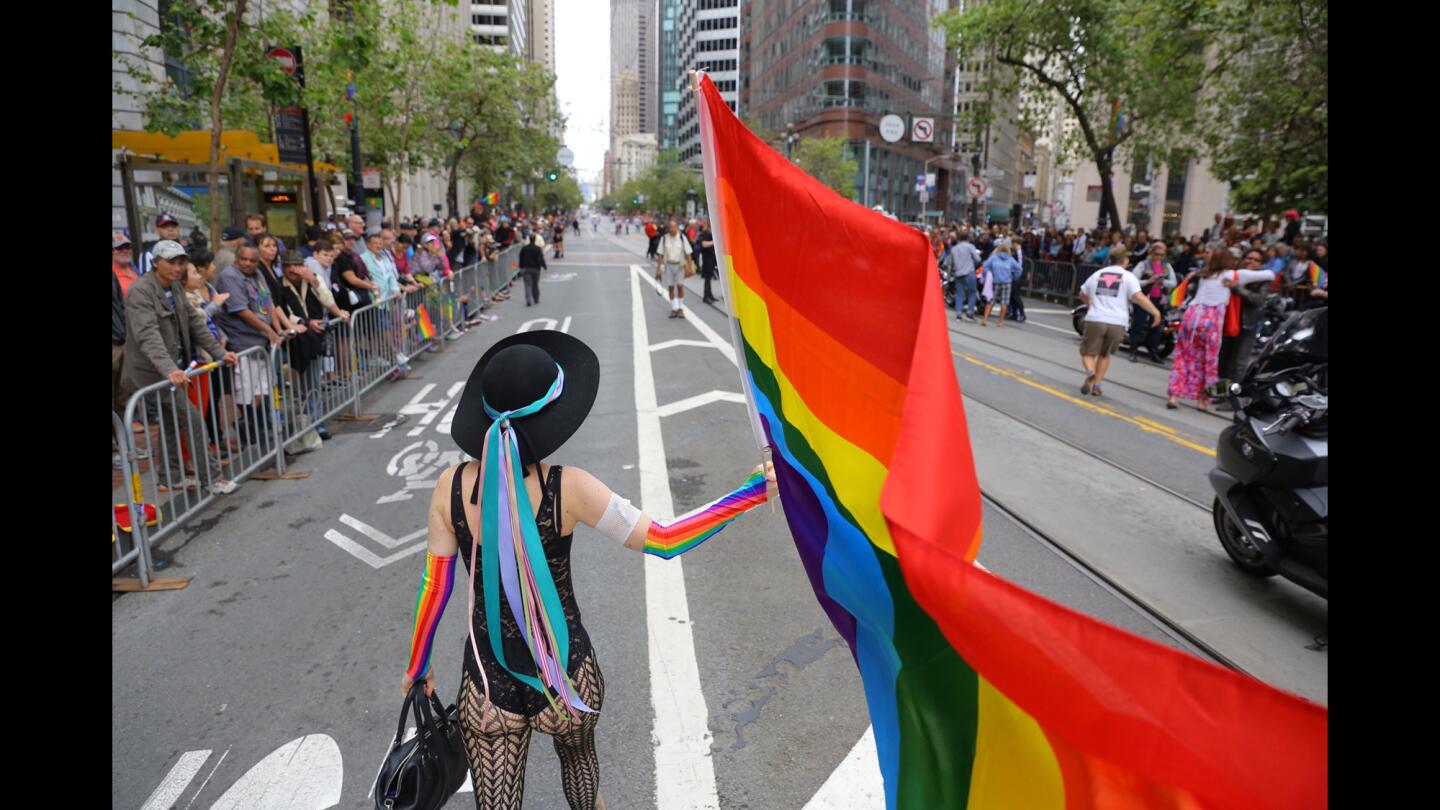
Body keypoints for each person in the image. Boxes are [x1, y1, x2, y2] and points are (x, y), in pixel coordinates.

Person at [400, 331, 775, 810]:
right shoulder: (569, 488)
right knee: (580, 773)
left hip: (488, 681)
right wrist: (749, 493)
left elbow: (436, 585)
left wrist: (417, 666)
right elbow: (663, 539)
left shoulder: (449, 488)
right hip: (566, 672)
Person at [121, 240, 239, 494]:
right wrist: (169, 370)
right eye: (171, 262)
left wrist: (220, 352)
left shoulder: (175, 287)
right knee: (193, 419)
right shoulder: (140, 291)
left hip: (172, 369)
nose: (177, 267)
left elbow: (196, 324)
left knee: (170, 423)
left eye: (180, 262)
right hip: (152, 372)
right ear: (155, 263)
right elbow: (147, 335)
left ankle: (169, 477)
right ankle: (212, 478)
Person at [1166, 250, 1274, 410]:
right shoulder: (1234, 274)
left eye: (1255, 260)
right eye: (1248, 258)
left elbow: (1257, 299)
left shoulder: (1206, 275)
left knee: (1185, 358)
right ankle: (1204, 400)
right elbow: (1271, 274)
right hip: (1214, 321)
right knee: (1212, 361)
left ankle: (1176, 396)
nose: (1250, 261)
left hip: (1196, 316)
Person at [213, 244, 285, 445]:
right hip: (243, 341)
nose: (247, 263)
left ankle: (259, 429)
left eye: (252, 261)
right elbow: (241, 310)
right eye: (243, 259)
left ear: (258, 261)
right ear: (237, 258)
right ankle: (250, 431)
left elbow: (268, 302)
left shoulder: (258, 275)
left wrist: (277, 329)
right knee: (245, 391)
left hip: (260, 341)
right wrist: (269, 331)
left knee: (261, 389)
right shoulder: (230, 277)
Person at [1077, 246, 1160, 397]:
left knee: (1087, 353)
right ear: (1125, 261)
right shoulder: (1128, 277)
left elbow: (1082, 293)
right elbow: (1139, 297)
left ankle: (1090, 371)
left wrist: (1090, 304)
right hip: (1117, 322)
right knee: (1104, 354)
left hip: (1096, 319)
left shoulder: (1097, 274)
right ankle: (1096, 385)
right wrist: (1155, 312)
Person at [1127, 242, 1177, 361]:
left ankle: (1153, 352)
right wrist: (1148, 281)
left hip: (1159, 300)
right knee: (1138, 325)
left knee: (1157, 327)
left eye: (1162, 255)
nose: (1159, 257)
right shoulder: (1143, 265)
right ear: (1151, 253)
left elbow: (1174, 282)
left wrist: (1163, 282)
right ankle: (1133, 351)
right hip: (1144, 299)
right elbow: (1133, 280)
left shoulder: (1167, 266)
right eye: (1157, 254)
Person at [113, 232, 138, 416]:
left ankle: (124, 442)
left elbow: (119, 305)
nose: (124, 250)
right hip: (115, 341)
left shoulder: (135, 269)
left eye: (127, 247)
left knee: (123, 392)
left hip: (125, 337)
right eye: (119, 248)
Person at [655, 220, 693, 319]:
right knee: (671, 287)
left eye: (674, 227)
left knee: (680, 286)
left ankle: (680, 308)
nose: (672, 229)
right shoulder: (664, 239)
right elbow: (660, 255)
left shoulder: (682, 238)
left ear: (677, 227)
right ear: (668, 228)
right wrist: (658, 269)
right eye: (670, 227)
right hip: (669, 266)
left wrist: (690, 267)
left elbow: (688, 254)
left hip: (680, 265)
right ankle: (674, 308)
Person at [979, 243, 1020, 327]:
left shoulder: (994, 258)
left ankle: (985, 319)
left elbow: (985, 266)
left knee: (990, 301)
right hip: (1007, 283)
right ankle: (1000, 322)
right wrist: (1014, 277)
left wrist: (987, 274)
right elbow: (1019, 269)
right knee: (1004, 303)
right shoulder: (1010, 259)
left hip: (995, 282)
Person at [948, 232, 982, 321]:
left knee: (959, 294)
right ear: (968, 239)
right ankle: (969, 313)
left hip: (958, 273)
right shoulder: (970, 247)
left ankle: (958, 314)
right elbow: (978, 259)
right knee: (972, 292)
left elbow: (949, 262)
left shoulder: (954, 249)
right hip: (969, 272)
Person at [138, 212, 185, 276]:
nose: (170, 229)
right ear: (157, 230)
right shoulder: (149, 254)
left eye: (173, 226)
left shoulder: (185, 251)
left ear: (178, 229)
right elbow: (146, 280)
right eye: (165, 226)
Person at [517, 233, 547, 306]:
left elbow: (520, 258)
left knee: (528, 285)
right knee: (535, 284)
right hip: (536, 268)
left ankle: (529, 300)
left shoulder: (524, 248)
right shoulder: (537, 248)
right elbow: (541, 258)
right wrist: (544, 266)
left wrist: (520, 267)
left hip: (526, 268)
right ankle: (536, 299)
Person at [697, 222, 719, 304]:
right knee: (707, 278)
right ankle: (706, 296)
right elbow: (704, 244)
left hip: (710, 257)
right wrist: (715, 242)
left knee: (709, 278)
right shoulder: (705, 233)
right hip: (707, 258)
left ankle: (709, 295)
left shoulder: (709, 232)